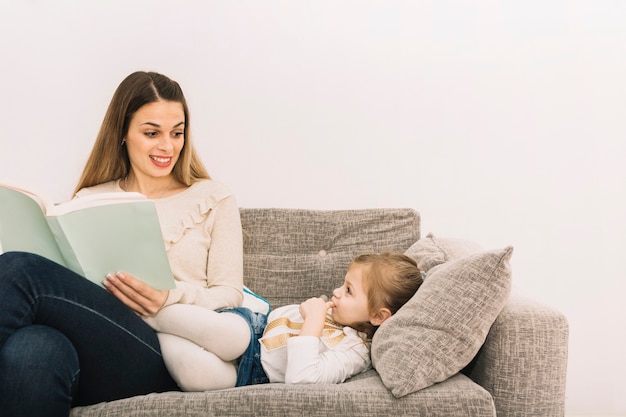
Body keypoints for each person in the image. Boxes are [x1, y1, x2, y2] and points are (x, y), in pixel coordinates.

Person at [0, 71, 248, 417]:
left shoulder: (212, 198)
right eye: (151, 133)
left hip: (167, 352)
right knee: (35, 348)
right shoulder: (91, 199)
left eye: (177, 133)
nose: (168, 146)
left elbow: (229, 293)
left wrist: (167, 298)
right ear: (123, 133)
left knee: (17, 269)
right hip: (96, 350)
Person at [165, 252, 423, 389]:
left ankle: (152, 330)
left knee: (195, 374)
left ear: (378, 316)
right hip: (255, 331)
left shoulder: (354, 352)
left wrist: (314, 322)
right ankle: (155, 312)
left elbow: (301, 380)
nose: (336, 292)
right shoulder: (334, 313)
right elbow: (273, 318)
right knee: (233, 338)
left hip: (255, 374)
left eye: (348, 291)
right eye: (343, 285)